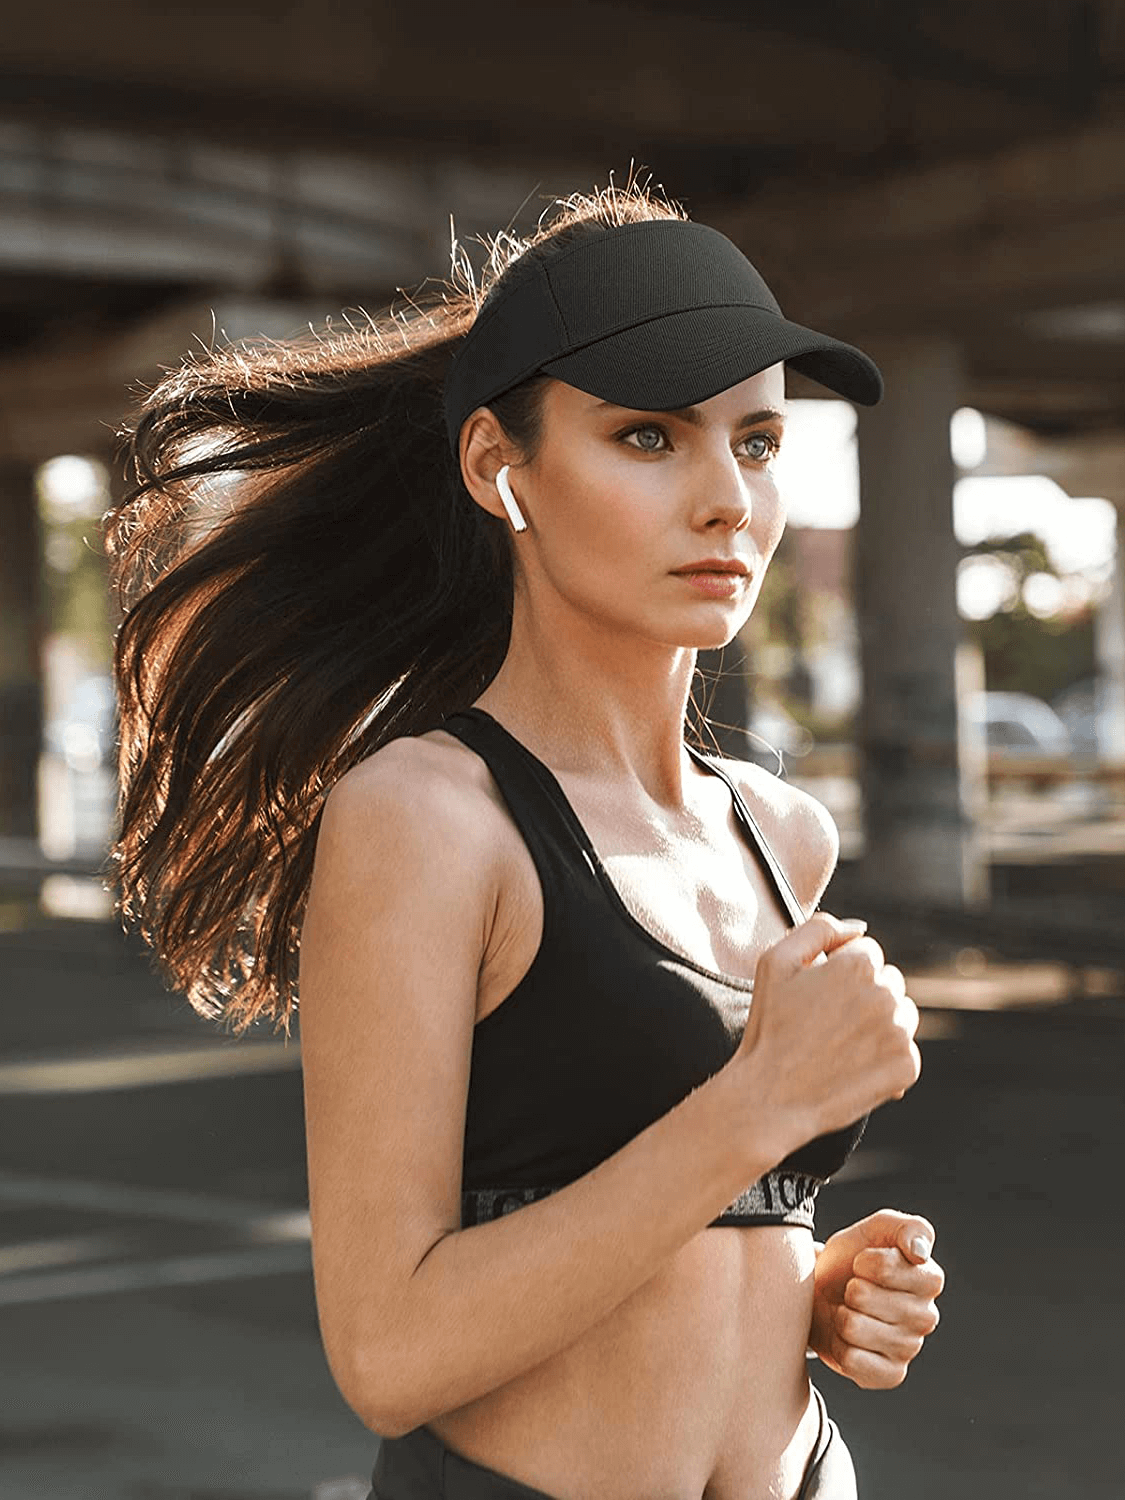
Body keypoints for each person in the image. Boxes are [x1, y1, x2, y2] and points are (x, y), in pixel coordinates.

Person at [105, 177, 945, 1500]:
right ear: (499, 465)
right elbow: (389, 1354)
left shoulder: (782, 833)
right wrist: (759, 1110)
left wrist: (812, 1283)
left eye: (758, 441)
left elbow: (659, 1225)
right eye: (650, 437)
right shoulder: (430, 820)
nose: (728, 500)